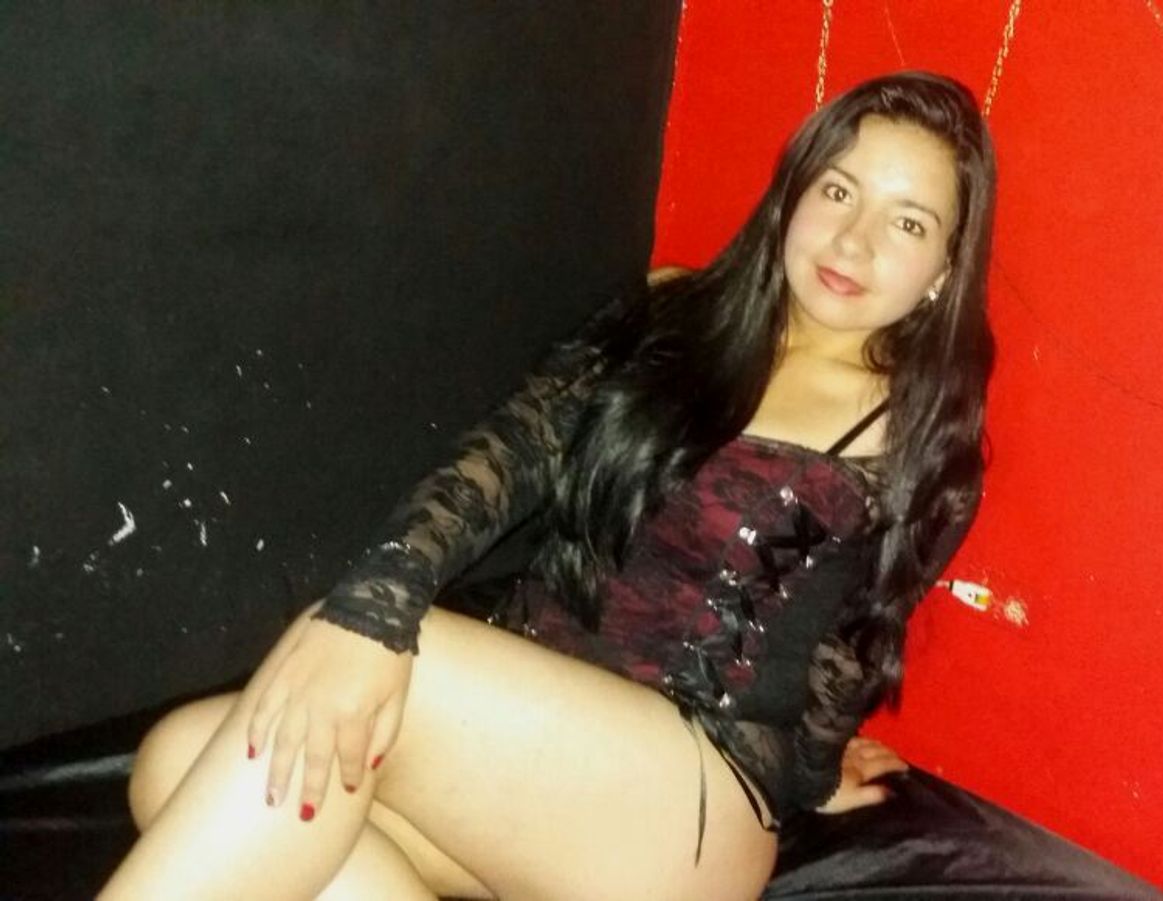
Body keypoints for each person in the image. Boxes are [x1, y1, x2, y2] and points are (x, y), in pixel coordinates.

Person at [104, 69, 997, 900]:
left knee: (377, 644)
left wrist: (810, 776)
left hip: (685, 811)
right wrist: (378, 602)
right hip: (525, 779)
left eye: (908, 224)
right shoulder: (671, 311)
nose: (853, 240)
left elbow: (851, 640)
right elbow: (511, 452)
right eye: (838, 191)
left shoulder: (915, 435)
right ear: (793, 194)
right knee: (180, 759)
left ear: (945, 271)